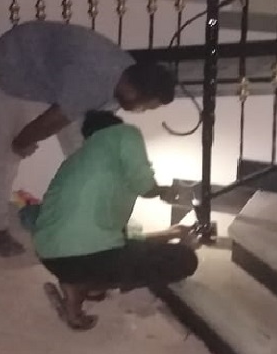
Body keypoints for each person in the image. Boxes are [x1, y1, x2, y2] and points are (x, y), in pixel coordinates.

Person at [0, 21, 176, 257]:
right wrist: (21, 142)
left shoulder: (125, 80)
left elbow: (87, 132)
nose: (142, 111)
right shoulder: (93, 79)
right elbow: (52, 120)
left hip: (57, 76)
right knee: (5, 153)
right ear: (133, 91)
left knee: (86, 154)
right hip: (19, 66)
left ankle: (93, 219)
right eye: (145, 106)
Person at [33, 110, 199, 330]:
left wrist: (169, 233)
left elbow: (120, 237)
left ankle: (80, 284)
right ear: (114, 126)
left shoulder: (77, 160)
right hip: (87, 256)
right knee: (185, 260)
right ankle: (83, 285)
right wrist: (163, 194)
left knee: (118, 250)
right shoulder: (124, 133)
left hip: (51, 255)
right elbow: (145, 185)